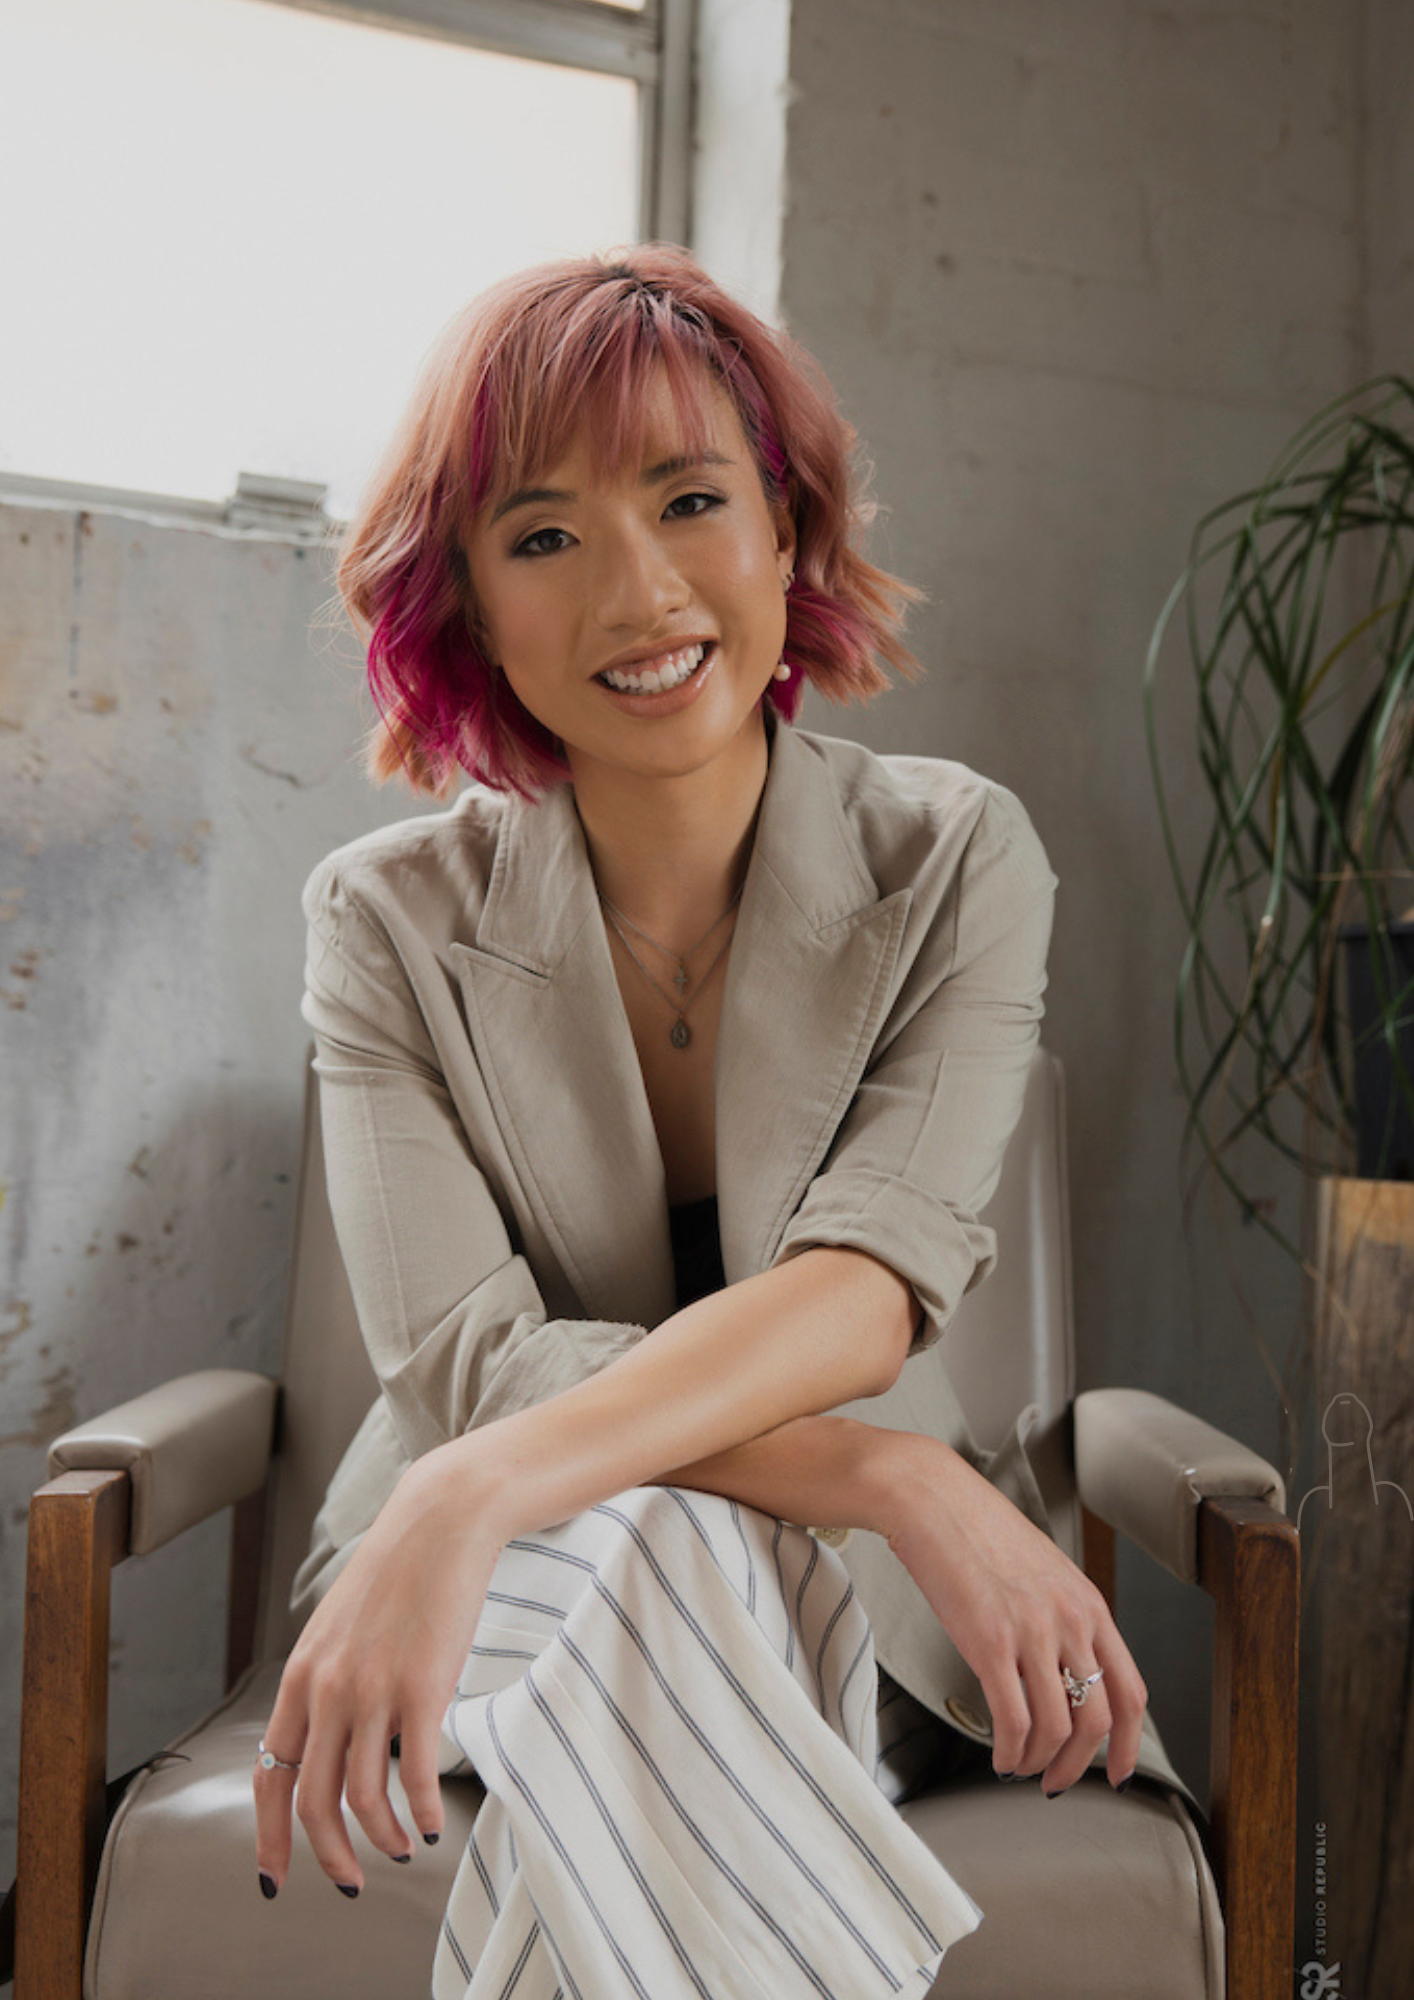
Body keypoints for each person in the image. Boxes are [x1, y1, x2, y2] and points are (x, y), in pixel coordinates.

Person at [251, 244, 1150, 1997]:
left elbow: (864, 1287)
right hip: (494, 1577)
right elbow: (465, 1367)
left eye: (689, 501)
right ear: (469, 608)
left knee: (675, 1567)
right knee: (662, 1557)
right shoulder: (383, 920)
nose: (638, 592)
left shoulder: (958, 855)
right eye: (542, 536)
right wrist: (887, 1471)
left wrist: (478, 1491)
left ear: (786, 529)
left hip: (783, 1582)